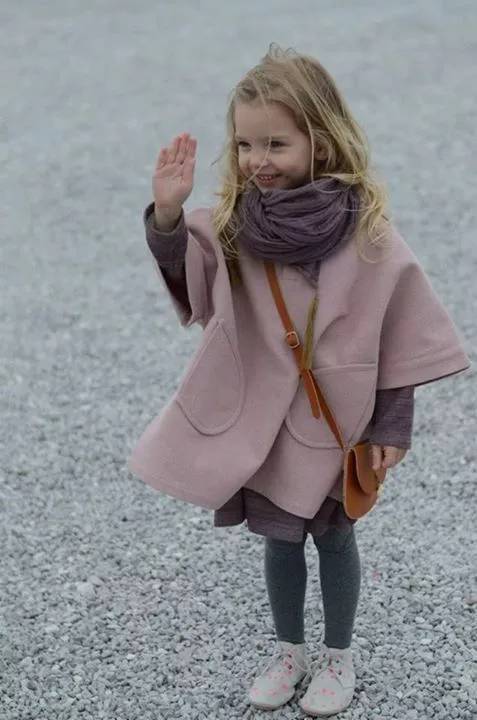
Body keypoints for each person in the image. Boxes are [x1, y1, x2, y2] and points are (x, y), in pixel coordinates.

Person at [128, 44, 470, 716]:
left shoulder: (369, 233)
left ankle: (338, 656)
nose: (258, 160)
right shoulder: (233, 228)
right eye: (245, 144)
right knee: (279, 538)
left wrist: (391, 423)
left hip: (338, 419)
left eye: (276, 144)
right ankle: (289, 652)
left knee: (335, 536)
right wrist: (167, 217)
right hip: (267, 423)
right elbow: (191, 282)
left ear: (321, 140)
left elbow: (401, 332)